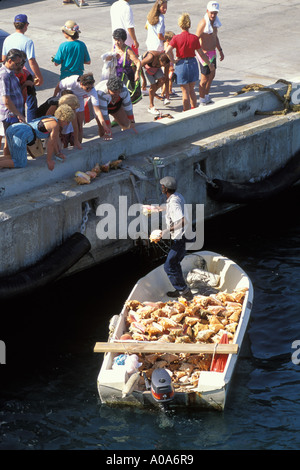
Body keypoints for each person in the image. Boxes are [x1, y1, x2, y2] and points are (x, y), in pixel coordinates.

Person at [0, 104, 75, 171]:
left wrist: (58, 153)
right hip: (21, 134)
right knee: (20, 163)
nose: (67, 124)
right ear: (63, 118)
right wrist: (49, 161)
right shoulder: (55, 126)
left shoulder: (51, 118)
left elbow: (54, 141)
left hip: (14, 128)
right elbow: (50, 144)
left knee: (14, 157)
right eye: (67, 121)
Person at [165, 13, 215, 111]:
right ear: (189, 25)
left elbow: (167, 51)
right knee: (192, 90)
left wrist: (173, 60)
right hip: (192, 63)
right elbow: (201, 53)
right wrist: (209, 64)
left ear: (180, 25)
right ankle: (193, 110)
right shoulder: (194, 38)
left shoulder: (176, 38)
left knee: (185, 92)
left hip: (181, 64)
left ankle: (186, 112)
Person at [155, 176, 193, 301]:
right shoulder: (177, 196)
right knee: (175, 263)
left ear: (164, 188)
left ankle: (185, 292)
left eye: (162, 186)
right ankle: (180, 289)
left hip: (182, 237)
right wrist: (161, 208)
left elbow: (183, 221)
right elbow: (175, 208)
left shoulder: (174, 202)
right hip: (186, 236)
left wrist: (166, 231)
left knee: (169, 265)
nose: (161, 187)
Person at [2, 14, 44, 121]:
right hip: (24, 75)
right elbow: (31, 61)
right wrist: (39, 76)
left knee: (16, 99)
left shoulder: (7, 39)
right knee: (31, 102)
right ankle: (30, 126)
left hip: (12, 74)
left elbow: (3, 58)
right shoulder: (27, 41)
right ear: (26, 25)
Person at [53, 73, 110, 142]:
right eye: (87, 88)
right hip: (66, 99)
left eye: (91, 87)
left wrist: (104, 125)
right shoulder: (72, 81)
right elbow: (58, 86)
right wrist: (54, 98)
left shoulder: (92, 91)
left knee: (80, 126)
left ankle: (78, 143)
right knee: (63, 123)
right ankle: (60, 140)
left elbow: (97, 111)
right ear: (81, 84)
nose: (89, 90)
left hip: (78, 101)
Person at [196, 1, 224, 106]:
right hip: (204, 54)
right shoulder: (203, 23)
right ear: (207, 11)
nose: (213, 15)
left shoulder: (215, 22)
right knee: (204, 78)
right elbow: (195, 39)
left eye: (215, 13)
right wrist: (200, 52)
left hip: (213, 53)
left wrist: (220, 50)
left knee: (212, 75)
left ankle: (206, 96)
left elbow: (215, 37)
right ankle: (202, 100)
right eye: (211, 13)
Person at [0, 49, 26, 157]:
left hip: (14, 113)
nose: (18, 66)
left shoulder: (11, 74)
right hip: (9, 114)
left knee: (9, 141)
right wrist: (18, 114)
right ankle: (6, 164)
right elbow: (6, 100)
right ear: (9, 61)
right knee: (9, 142)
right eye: (17, 63)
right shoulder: (4, 75)